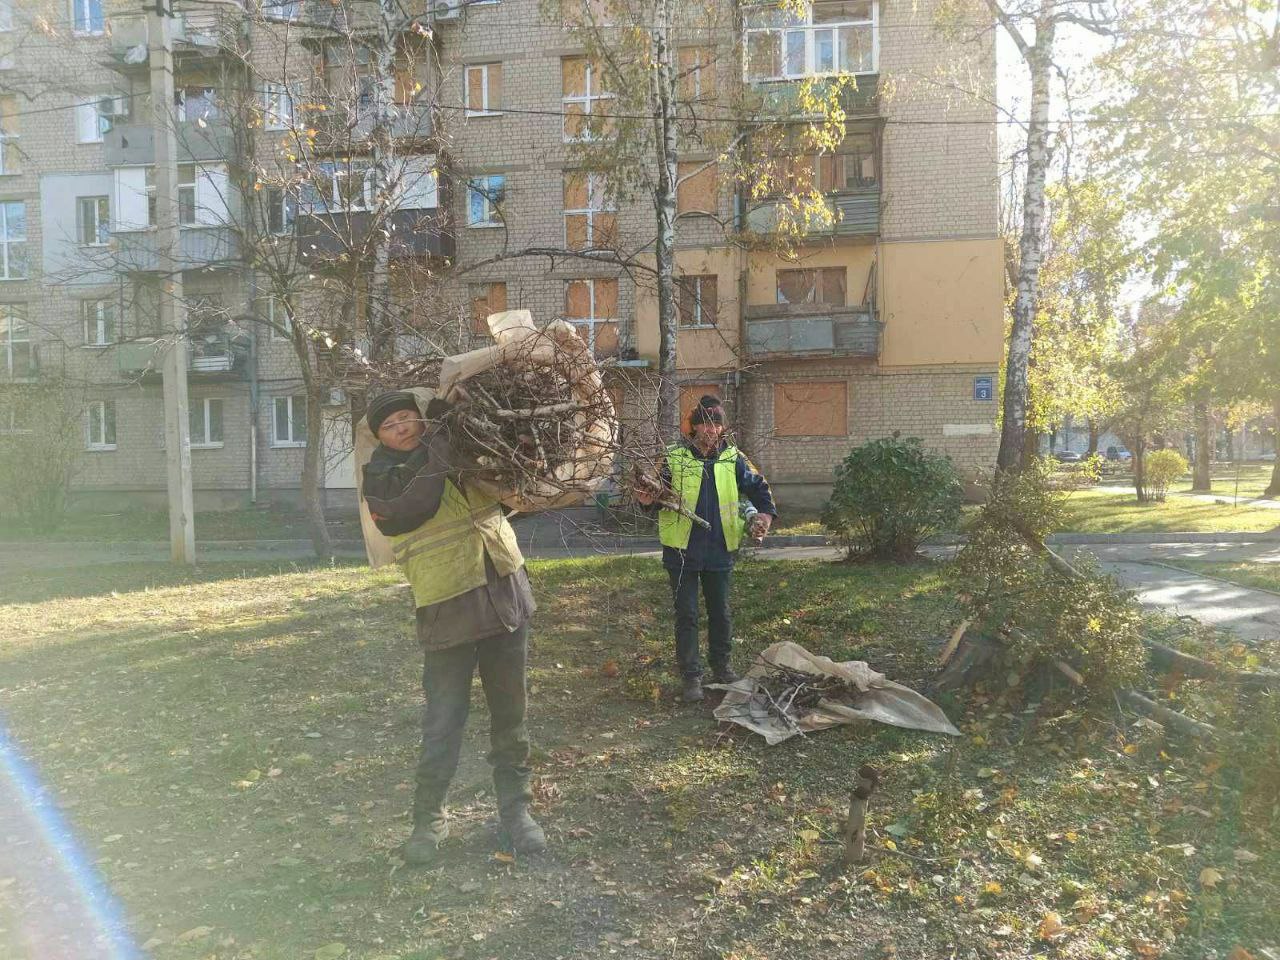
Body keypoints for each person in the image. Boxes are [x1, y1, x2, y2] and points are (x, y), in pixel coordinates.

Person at [361, 389, 545, 864]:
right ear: (378, 436)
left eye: (409, 418)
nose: (403, 427)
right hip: (447, 608)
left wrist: (477, 426)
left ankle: (516, 814)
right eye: (391, 424)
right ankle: (428, 821)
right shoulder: (380, 477)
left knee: (511, 715)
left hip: (503, 594)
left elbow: (513, 483)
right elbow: (415, 506)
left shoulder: (460, 446)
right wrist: (441, 443)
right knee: (443, 721)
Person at [634, 395, 777, 703]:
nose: (711, 430)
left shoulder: (734, 458)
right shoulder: (674, 456)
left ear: (722, 428)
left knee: (720, 613)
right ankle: (691, 677)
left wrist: (763, 517)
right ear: (694, 426)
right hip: (681, 550)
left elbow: (760, 489)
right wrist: (646, 500)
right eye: (704, 423)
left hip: (720, 548)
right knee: (686, 615)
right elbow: (654, 494)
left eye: (716, 424)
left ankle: (722, 667)